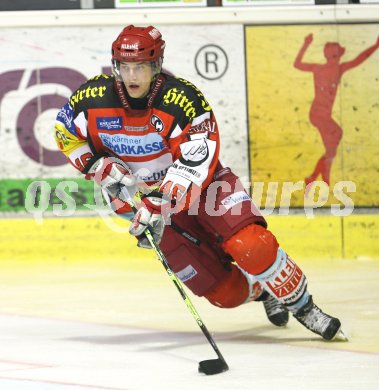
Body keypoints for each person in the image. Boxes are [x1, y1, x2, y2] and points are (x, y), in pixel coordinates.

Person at [54, 25, 346, 340]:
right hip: (151, 207)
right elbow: (64, 133)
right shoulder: (90, 98)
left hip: (206, 187)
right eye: (125, 67)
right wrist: (94, 163)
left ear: (155, 65)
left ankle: (304, 307)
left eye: (140, 67)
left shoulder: (182, 99)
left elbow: (197, 160)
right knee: (225, 294)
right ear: (115, 67)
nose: (132, 75)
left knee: (251, 245)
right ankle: (264, 292)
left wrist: (162, 199)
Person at [294, 34, 379, 191]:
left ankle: (314, 177)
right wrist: (375, 46)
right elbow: (360, 59)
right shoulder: (337, 69)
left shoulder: (321, 68)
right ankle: (323, 176)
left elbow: (297, 64)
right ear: (337, 55)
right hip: (320, 114)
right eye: (340, 53)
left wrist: (306, 44)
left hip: (319, 114)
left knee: (332, 145)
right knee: (335, 137)